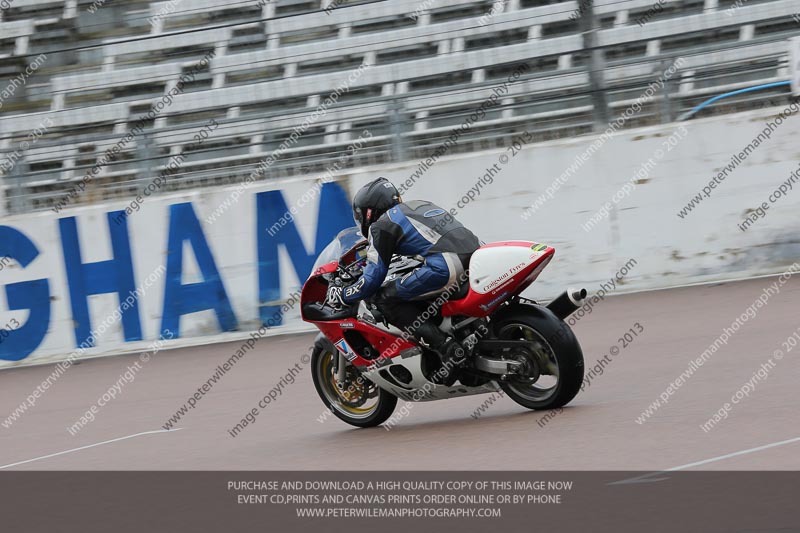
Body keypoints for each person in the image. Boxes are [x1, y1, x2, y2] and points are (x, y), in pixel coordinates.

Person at [326, 177, 481, 384]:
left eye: (360, 215)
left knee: (383, 298)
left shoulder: (381, 225)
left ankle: (447, 350)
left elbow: (372, 279)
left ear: (368, 212)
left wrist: (344, 294)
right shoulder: (419, 205)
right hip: (478, 257)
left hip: (446, 266)